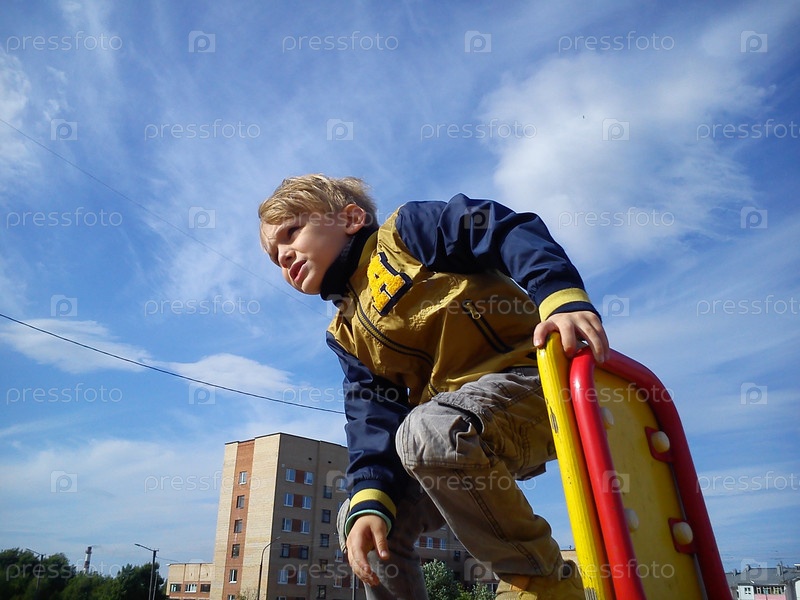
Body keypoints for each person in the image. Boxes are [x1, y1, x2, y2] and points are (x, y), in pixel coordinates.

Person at [259, 174, 609, 600]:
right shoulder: (346, 334)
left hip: (535, 382)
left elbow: (500, 229)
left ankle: (540, 580)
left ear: (351, 218)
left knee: (427, 429)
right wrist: (372, 492)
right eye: (274, 257)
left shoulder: (405, 234)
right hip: (459, 431)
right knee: (365, 516)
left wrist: (559, 296)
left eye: (292, 232)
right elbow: (371, 418)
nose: (284, 256)